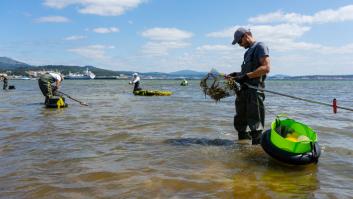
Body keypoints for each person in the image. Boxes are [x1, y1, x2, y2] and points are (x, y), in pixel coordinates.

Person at [227, 27, 270, 145]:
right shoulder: (247, 52)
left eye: (240, 42)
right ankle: (242, 149)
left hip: (254, 92)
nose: (239, 45)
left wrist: (246, 77)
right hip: (243, 92)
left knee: (255, 125)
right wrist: (237, 75)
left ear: (246, 35)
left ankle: (256, 154)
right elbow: (246, 72)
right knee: (240, 123)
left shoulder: (260, 46)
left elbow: (266, 68)